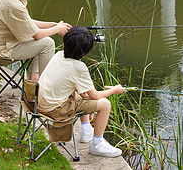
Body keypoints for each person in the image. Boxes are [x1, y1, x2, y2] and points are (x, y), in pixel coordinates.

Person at [38, 26, 125, 158]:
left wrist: (81, 91)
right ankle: (97, 144)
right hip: (54, 110)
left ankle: (86, 131)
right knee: (105, 104)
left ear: (64, 42)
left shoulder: (58, 55)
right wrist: (114, 90)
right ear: (85, 52)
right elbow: (95, 96)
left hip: (36, 103)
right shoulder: (79, 67)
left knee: (81, 92)